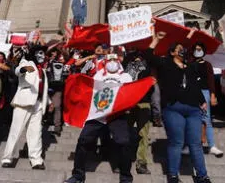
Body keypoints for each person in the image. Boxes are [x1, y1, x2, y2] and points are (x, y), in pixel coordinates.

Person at [145, 30, 210, 183]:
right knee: (176, 142)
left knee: (195, 143)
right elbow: (149, 56)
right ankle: (173, 176)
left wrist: (202, 100)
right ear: (172, 52)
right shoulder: (165, 63)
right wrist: (156, 39)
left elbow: (194, 85)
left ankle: (202, 176)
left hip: (194, 109)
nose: (182, 50)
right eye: (179, 48)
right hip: (174, 108)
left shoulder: (190, 66)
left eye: (183, 48)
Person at [64, 55, 134, 183]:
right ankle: (78, 175)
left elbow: (129, 93)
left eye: (115, 60)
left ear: (119, 62)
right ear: (105, 62)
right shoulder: (99, 75)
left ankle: (126, 177)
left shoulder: (125, 76)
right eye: (109, 60)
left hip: (116, 115)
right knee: (83, 140)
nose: (112, 63)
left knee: (124, 142)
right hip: (98, 114)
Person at [1, 47, 50, 169]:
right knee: (16, 130)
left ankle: (36, 160)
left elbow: (41, 86)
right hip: (24, 101)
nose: (42, 55)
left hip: (38, 103)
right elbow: (18, 71)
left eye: (43, 53)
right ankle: (7, 158)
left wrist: (48, 101)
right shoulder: (26, 62)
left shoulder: (42, 70)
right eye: (39, 53)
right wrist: (23, 69)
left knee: (36, 132)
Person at [189, 40, 223, 158]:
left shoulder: (207, 64)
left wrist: (213, 94)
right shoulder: (189, 64)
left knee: (206, 119)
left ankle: (211, 145)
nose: (197, 52)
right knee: (191, 119)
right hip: (192, 93)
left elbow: (211, 81)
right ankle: (188, 145)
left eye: (199, 49)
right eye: (196, 49)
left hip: (205, 92)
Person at [124, 52, 153, 175]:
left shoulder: (149, 65)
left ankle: (141, 163)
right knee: (124, 133)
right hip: (127, 102)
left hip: (143, 103)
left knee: (143, 135)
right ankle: (123, 161)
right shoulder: (126, 63)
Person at [46, 48, 68, 136]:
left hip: (57, 87)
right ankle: (47, 121)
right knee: (45, 106)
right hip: (45, 86)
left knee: (57, 106)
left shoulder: (60, 61)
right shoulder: (43, 60)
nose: (53, 54)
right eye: (52, 52)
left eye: (55, 52)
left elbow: (66, 57)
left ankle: (57, 127)